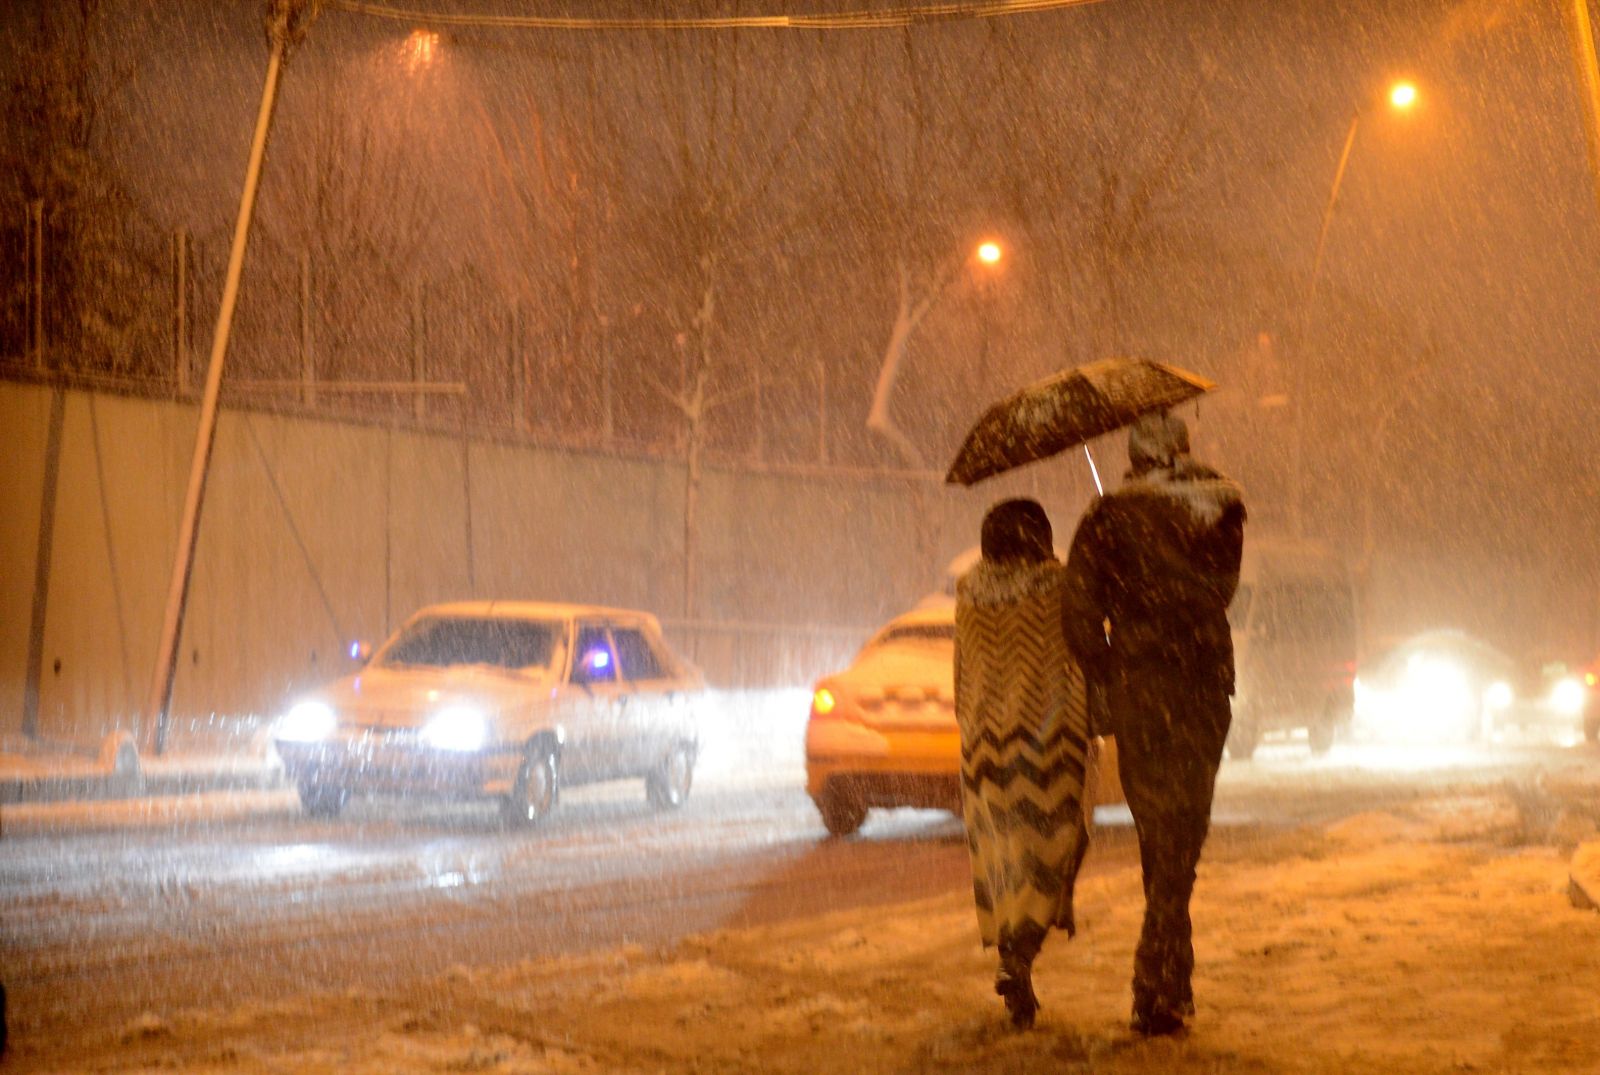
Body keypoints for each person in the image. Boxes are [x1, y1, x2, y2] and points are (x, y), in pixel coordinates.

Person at [1060, 410, 1245, 1037]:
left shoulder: (1107, 519)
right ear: (1184, 447)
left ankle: (1155, 979)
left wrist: (1112, 659)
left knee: (1157, 832)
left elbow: (1078, 617)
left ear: (1137, 455)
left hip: (1141, 688)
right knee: (1184, 830)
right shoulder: (1221, 506)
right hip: (1202, 684)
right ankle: (1169, 981)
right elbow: (1221, 590)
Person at [954, 498, 1093, 1030]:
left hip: (984, 751)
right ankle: (1019, 958)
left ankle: (1015, 963)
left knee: (1003, 861)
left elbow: (960, 671)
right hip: (1051, 747)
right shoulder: (1059, 589)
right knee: (1055, 854)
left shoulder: (969, 594)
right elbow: (1082, 656)